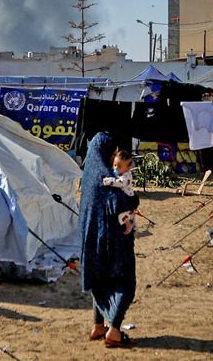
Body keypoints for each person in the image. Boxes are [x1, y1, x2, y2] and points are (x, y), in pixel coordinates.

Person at [79, 132, 138, 348]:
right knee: (124, 282)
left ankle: (98, 326)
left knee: (99, 279)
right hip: (113, 241)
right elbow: (120, 203)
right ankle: (113, 330)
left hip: (90, 241)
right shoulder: (106, 178)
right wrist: (133, 200)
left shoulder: (88, 175)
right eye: (113, 153)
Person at [102, 149, 137, 235]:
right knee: (131, 214)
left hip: (128, 199)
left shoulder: (127, 176)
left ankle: (128, 224)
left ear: (128, 168)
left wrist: (108, 181)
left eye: (119, 166)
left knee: (121, 215)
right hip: (127, 198)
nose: (116, 168)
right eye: (115, 165)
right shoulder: (121, 172)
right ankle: (133, 225)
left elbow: (119, 183)